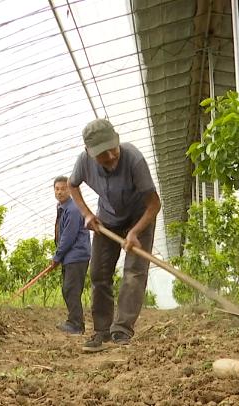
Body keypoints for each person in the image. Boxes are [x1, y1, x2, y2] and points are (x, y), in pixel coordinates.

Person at [68, 118, 161, 352]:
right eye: (102, 154)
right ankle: (101, 330)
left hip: (140, 218)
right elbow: (72, 186)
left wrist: (135, 232)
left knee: (134, 273)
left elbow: (154, 204)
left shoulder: (134, 159)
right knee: (99, 274)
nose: (110, 156)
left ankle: (121, 330)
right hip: (107, 221)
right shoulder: (83, 163)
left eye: (112, 149)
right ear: (89, 153)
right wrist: (87, 214)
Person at [51, 175, 91, 335]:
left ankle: (76, 325)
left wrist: (57, 257)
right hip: (71, 257)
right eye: (57, 189)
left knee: (71, 289)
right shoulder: (63, 208)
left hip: (77, 256)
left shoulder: (73, 209)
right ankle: (74, 322)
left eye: (63, 188)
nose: (60, 192)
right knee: (69, 289)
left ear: (70, 190)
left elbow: (68, 236)